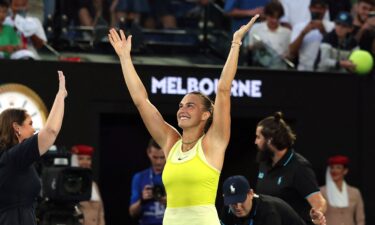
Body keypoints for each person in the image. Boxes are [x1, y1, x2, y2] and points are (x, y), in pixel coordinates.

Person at [108, 14, 259, 225]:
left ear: (206, 114)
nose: (182, 109)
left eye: (190, 105)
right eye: (180, 105)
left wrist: (235, 42)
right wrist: (125, 58)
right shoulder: (171, 142)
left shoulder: (213, 143)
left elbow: (223, 90)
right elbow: (141, 100)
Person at [0, 71, 67, 225]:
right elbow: (50, 131)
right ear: (16, 128)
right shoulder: (13, 157)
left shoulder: (13, 159)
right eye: (30, 124)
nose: (34, 129)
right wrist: (60, 95)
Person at [254, 112, 326, 225]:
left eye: (258, 137)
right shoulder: (264, 163)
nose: (256, 141)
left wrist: (317, 215)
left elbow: (319, 202)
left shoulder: (299, 167)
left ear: (270, 139)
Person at [220, 175, 309, 225]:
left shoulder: (269, 211)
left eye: (241, 200)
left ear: (251, 194)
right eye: (233, 202)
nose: (238, 207)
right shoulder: (228, 209)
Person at [289, 0, 335, 71]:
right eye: (315, 7)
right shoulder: (299, 26)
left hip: (326, 71)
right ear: (309, 8)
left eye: (321, 8)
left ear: (326, 9)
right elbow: (292, 52)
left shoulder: (332, 26)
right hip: (304, 70)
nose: (318, 11)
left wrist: (323, 31)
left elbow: (336, 48)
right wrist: (303, 33)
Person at [129, 139, 166, 225]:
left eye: (162, 157)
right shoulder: (139, 177)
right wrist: (142, 200)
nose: (159, 162)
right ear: (149, 153)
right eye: (155, 157)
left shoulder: (174, 177)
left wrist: (170, 201)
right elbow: (132, 212)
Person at [320, 155, 365, 225]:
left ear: (345, 171)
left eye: (338, 167)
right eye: (332, 168)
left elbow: (360, 219)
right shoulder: (322, 192)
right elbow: (318, 217)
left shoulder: (355, 192)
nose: (334, 171)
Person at [71, 144, 105, 225]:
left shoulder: (94, 185)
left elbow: (101, 213)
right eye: (81, 159)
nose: (85, 162)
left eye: (88, 159)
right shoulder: (69, 185)